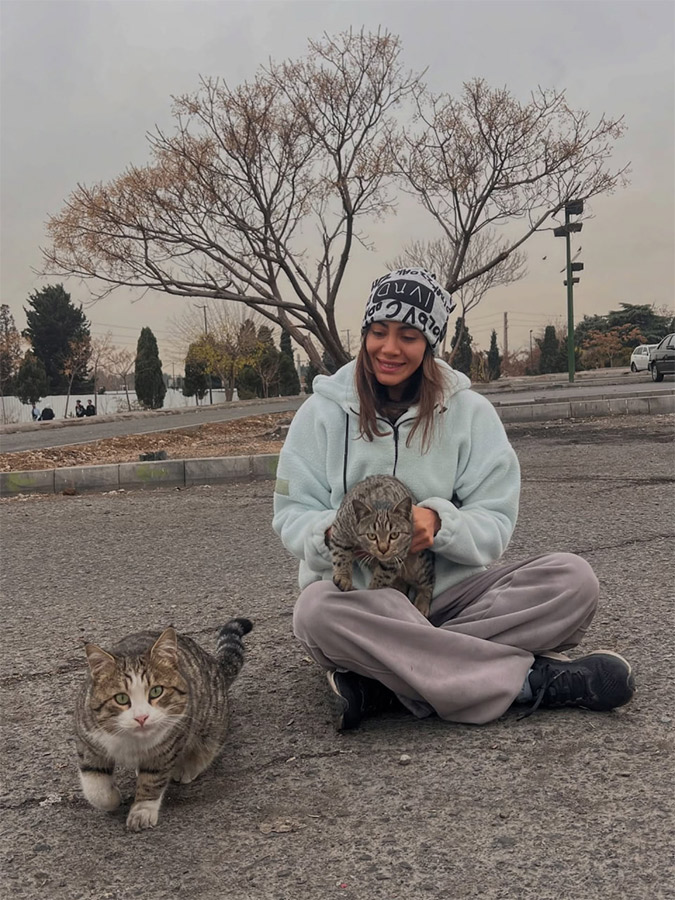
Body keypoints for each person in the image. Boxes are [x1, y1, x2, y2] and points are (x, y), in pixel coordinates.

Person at [273, 268, 635, 732]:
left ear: (430, 343)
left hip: (458, 598)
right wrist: (335, 533)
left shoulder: (470, 412)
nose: (389, 348)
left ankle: (391, 680)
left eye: (408, 335)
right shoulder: (320, 413)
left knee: (573, 580)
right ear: (364, 334)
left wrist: (442, 525)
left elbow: (496, 519)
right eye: (378, 332)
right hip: (367, 603)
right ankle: (529, 680)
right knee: (316, 612)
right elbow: (290, 515)